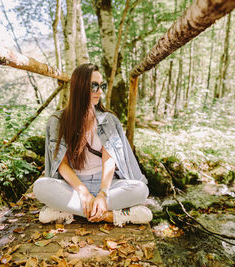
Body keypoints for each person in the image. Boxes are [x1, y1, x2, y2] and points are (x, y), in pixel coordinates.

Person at [33, 63, 152, 227]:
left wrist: (102, 194)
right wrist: (84, 193)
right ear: (79, 87)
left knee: (140, 189)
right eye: (94, 86)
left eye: (101, 85)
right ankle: (112, 215)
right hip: (73, 185)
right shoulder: (58, 121)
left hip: (106, 185)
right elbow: (62, 165)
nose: (100, 91)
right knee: (40, 187)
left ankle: (70, 211)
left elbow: (109, 160)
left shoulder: (109, 120)